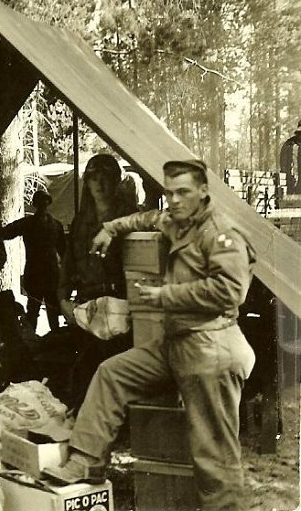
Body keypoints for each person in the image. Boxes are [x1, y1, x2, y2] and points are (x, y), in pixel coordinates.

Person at [43, 159, 256, 511]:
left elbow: (231, 292)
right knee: (112, 374)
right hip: (176, 343)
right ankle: (86, 461)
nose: (174, 200)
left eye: (183, 192)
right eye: (170, 193)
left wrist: (166, 296)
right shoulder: (177, 221)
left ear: (204, 192)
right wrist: (111, 227)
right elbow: (145, 218)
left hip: (212, 347)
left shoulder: (221, 233)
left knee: (212, 454)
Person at [58, 154, 139, 410]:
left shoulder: (130, 219)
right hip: (88, 306)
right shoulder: (81, 222)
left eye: (106, 178)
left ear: (116, 181)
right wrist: (63, 300)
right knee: (85, 372)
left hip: (121, 307)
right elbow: (68, 265)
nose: (100, 184)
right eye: (94, 178)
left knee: (117, 375)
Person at [2, 190, 66, 333]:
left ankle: (54, 339)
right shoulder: (30, 223)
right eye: (40, 202)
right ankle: (33, 340)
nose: (43, 205)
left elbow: (64, 251)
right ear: (36, 204)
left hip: (48, 273)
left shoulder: (54, 225)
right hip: (36, 273)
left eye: (44, 201)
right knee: (34, 310)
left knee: (51, 311)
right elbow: (6, 233)